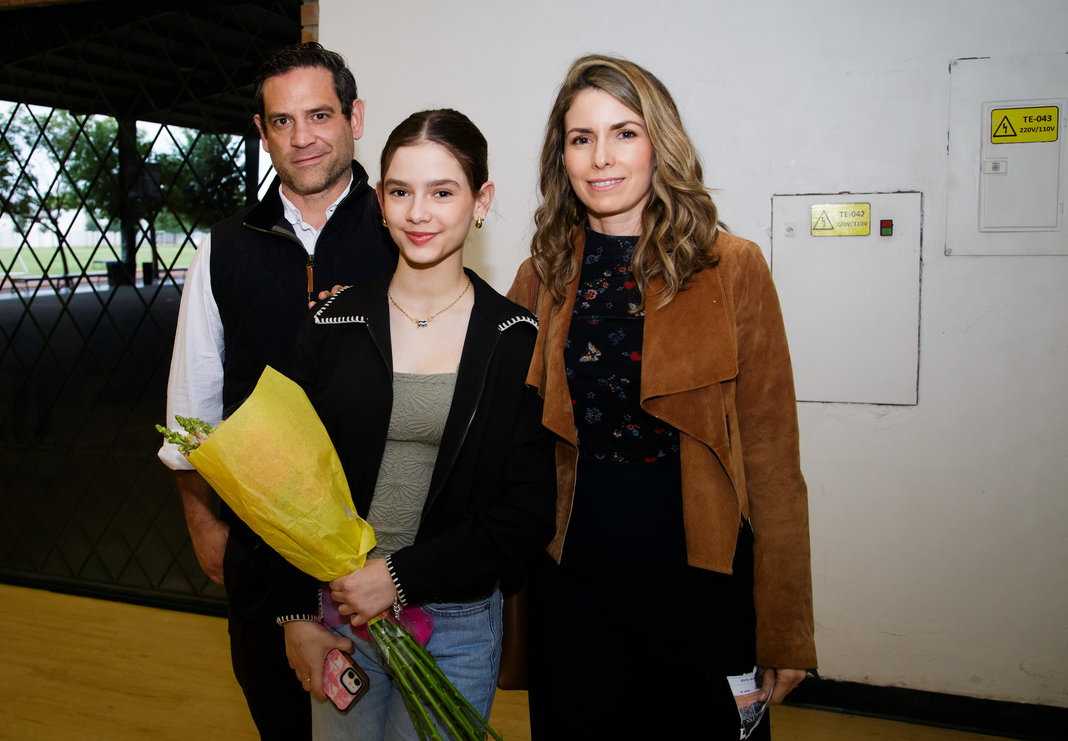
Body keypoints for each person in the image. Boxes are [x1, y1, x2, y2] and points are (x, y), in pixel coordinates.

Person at [507, 55, 817, 738]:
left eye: (624, 132)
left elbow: (772, 461)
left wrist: (785, 624)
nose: (601, 157)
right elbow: (503, 428)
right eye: (581, 138)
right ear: (562, 156)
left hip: (704, 580)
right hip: (572, 578)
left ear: (660, 145)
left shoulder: (731, 267)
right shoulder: (542, 275)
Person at [273, 109, 557, 739]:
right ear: (380, 201)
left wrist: (399, 577)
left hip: (454, 624)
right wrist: (296, 614)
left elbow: (528, 510)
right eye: (401, 192)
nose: (418, 213)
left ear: (481, 200)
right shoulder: (332, 323)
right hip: (339, 615)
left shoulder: (515, 339)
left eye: (443, 192)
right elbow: (285, 481)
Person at [158, 42, 398, 740]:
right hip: (264, 558)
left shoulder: (404, 230)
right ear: (261, 132)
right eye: (282, 121)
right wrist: (203, 523)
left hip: (384, 558)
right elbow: (192, 409)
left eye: (320, 115)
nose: (302, 137)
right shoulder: (223, 249)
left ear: (354, 117)